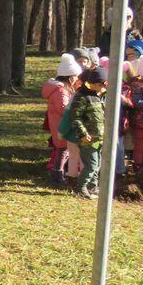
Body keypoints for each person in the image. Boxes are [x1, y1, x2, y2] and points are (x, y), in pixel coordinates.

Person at [42, 54, 81, 186]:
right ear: (70, 78)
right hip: (62, 126)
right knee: (64, 149)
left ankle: (57, 172)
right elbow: (64, 109)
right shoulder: (62, 92)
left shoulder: (60, 90)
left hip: (58, 124)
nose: (77, 80)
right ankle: (57, 173)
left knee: (63, 149)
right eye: (75, 77)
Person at [69, 68, 108, 199]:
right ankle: (80, 188)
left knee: (97, 165)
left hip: (99, 138)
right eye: (100, 85)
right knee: (91, 165)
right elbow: (75, 118)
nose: (102, 87)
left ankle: (92, 187)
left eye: (104, 85)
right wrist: (83, 134)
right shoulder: (82, 97)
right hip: (87, 139)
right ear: (92, 83)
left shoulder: (100, 96)